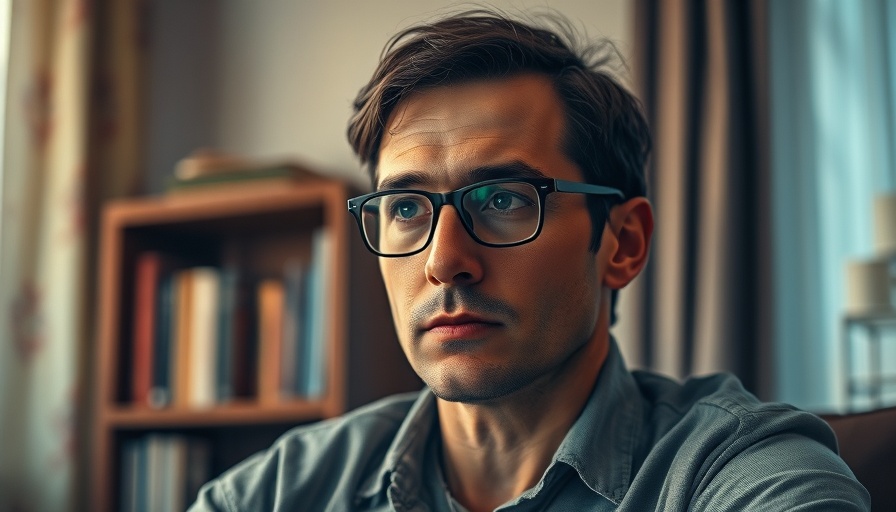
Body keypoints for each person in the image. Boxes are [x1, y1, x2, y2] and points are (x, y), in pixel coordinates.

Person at [190, 10, 870, 511]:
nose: (444, 261)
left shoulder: (733, 471)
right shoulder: (279, 491)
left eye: (504, 200)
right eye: (406, 208)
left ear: (623, 243)